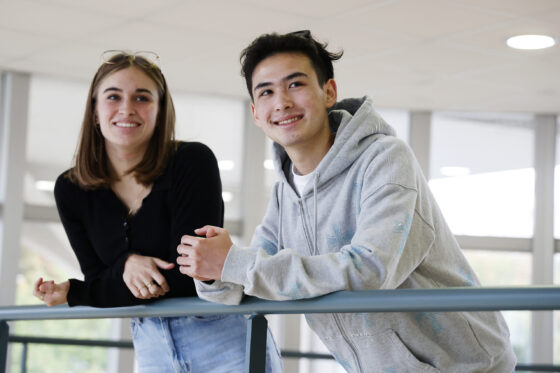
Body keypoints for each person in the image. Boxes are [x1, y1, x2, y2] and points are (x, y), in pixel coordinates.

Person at [176, 31, 517, 372]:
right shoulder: (286, 188)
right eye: (266, 91)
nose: (281, 102)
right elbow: (252, 283)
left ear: (329, 92)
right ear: (255, 112)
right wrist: (212, 273)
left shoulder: (383, 158)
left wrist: (235, 265)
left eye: (295, 84)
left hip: (466, 366)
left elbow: (371, 269)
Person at [32, 51, 282, 373]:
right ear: (94, 111)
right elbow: (98, 277)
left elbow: (191, 274)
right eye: (113, 97)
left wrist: (81, 292)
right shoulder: (71, 189)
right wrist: (125, 266)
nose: (126, 108)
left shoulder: (192, 162)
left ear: (160, 110)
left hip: (223, 339)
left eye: (142, 97)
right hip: (152, 346)